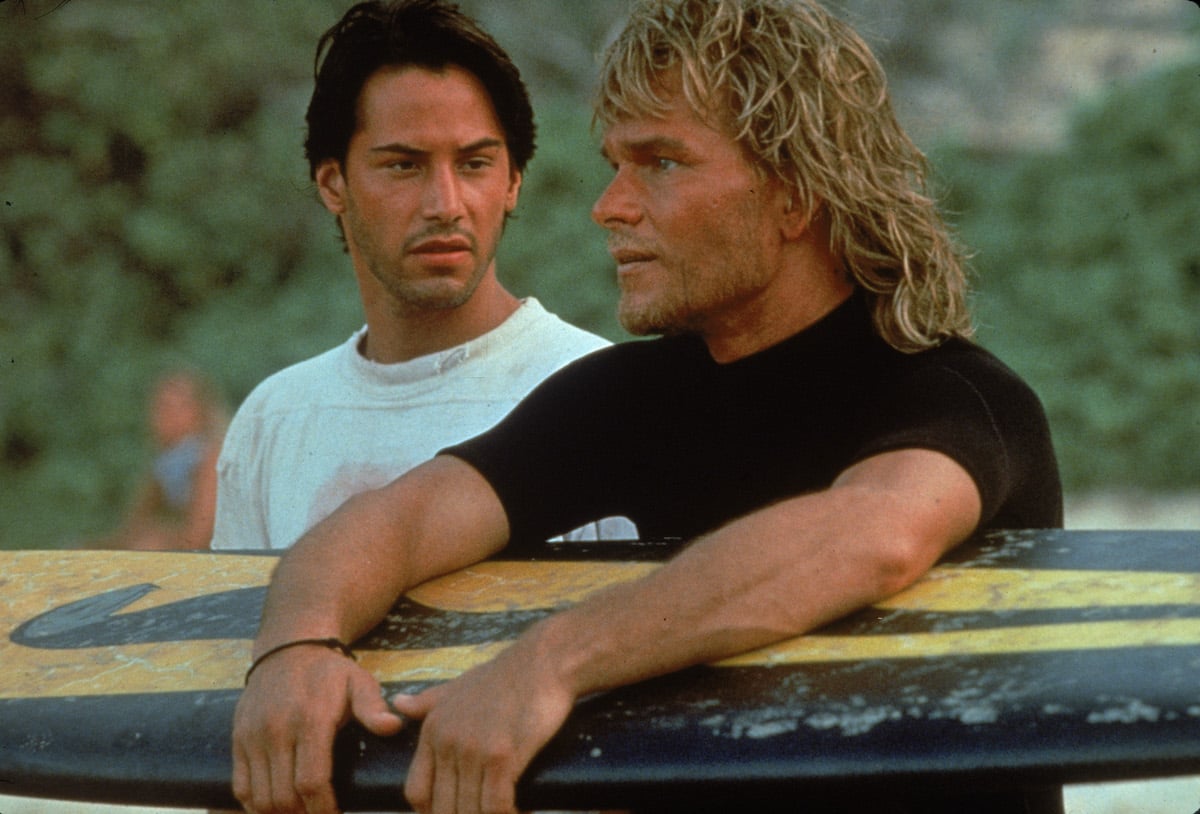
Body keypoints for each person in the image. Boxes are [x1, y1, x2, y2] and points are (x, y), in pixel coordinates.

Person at [230, 1, 1064, 813]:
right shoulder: (632, 400)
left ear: (795, 193)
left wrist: (548, 663)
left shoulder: (960, 398)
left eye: (660, 162)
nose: (610, 206)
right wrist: (298, 644)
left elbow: (873, 535)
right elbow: (396, 523)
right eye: (614, 164)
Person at [210, 0, 632, 552]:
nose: (446, 204)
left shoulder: (601, 399)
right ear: (333, 183)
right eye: (404, 165)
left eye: (474, 164)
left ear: (513, 182)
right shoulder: (276, 420)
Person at [89, 369, 226, 551]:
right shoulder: (168, 463)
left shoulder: (211, 456)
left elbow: (198, 537)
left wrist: (159, 538)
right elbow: (131, 527)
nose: (169, 416)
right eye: (162, 407)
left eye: (180, 407)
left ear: (202, 411)